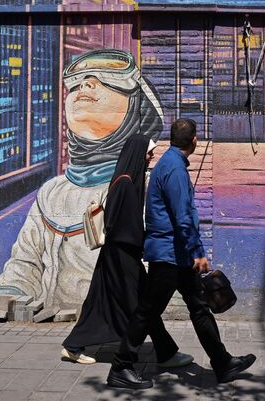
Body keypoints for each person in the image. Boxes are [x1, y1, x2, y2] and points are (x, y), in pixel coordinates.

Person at [0, 49, 164, 309]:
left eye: (106, 80)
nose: (85, 84)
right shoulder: (51, 193)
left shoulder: (147, 190)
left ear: (137, 109)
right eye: (77, 84)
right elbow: (24, 263)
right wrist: (8, 296)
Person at [107, 119, 255, 390]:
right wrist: (198, 251)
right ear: (194, 140)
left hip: (175, 253)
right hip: (169, 254)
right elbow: (183, 215)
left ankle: (222, 363)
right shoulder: (174, 169)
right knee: (147, 311)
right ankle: (120, 367)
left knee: (199, 307)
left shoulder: (169, 163)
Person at [60, 134, 193, 370]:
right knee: (144, 303)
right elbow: (116, 222)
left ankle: (75, 344)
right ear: (137, 152)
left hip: (122, 254)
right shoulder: (124, 183)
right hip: (121, 255)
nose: (151, 157)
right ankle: (164, 353)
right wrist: (141, 242)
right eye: (148, 152)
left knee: (109, 302)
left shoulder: (129, 180)